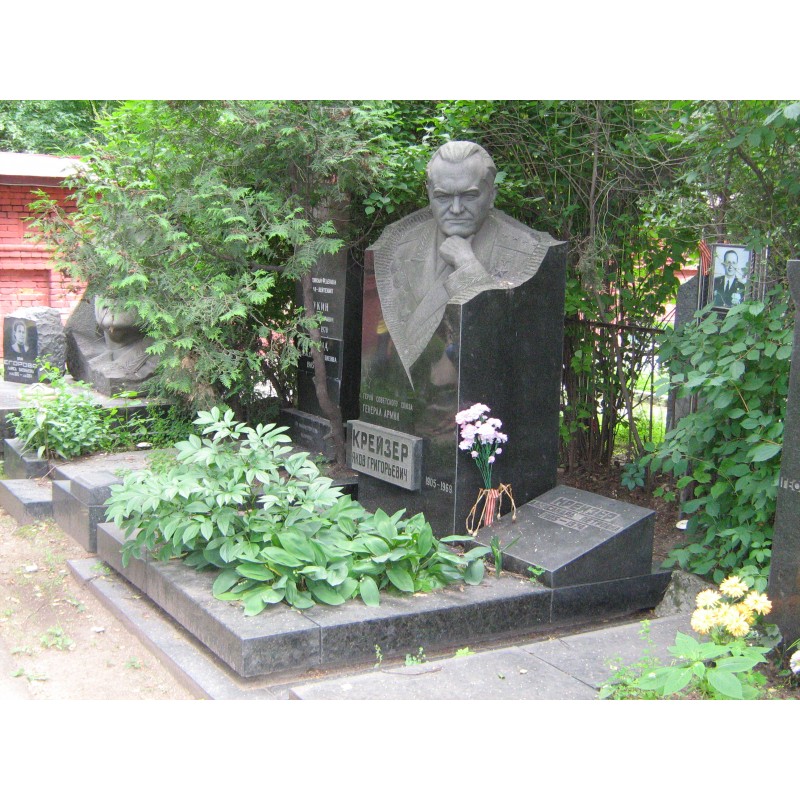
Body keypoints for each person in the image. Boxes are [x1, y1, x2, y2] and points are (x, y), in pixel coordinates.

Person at [369, 141, 555, 382]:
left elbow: (500, 339)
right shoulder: (399, 243)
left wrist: (467, 265)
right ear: (429, 194)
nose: (456, 209)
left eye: (469, 196)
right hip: (414, 389)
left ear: (492, 195)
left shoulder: (526, 250)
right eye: (443, 197)